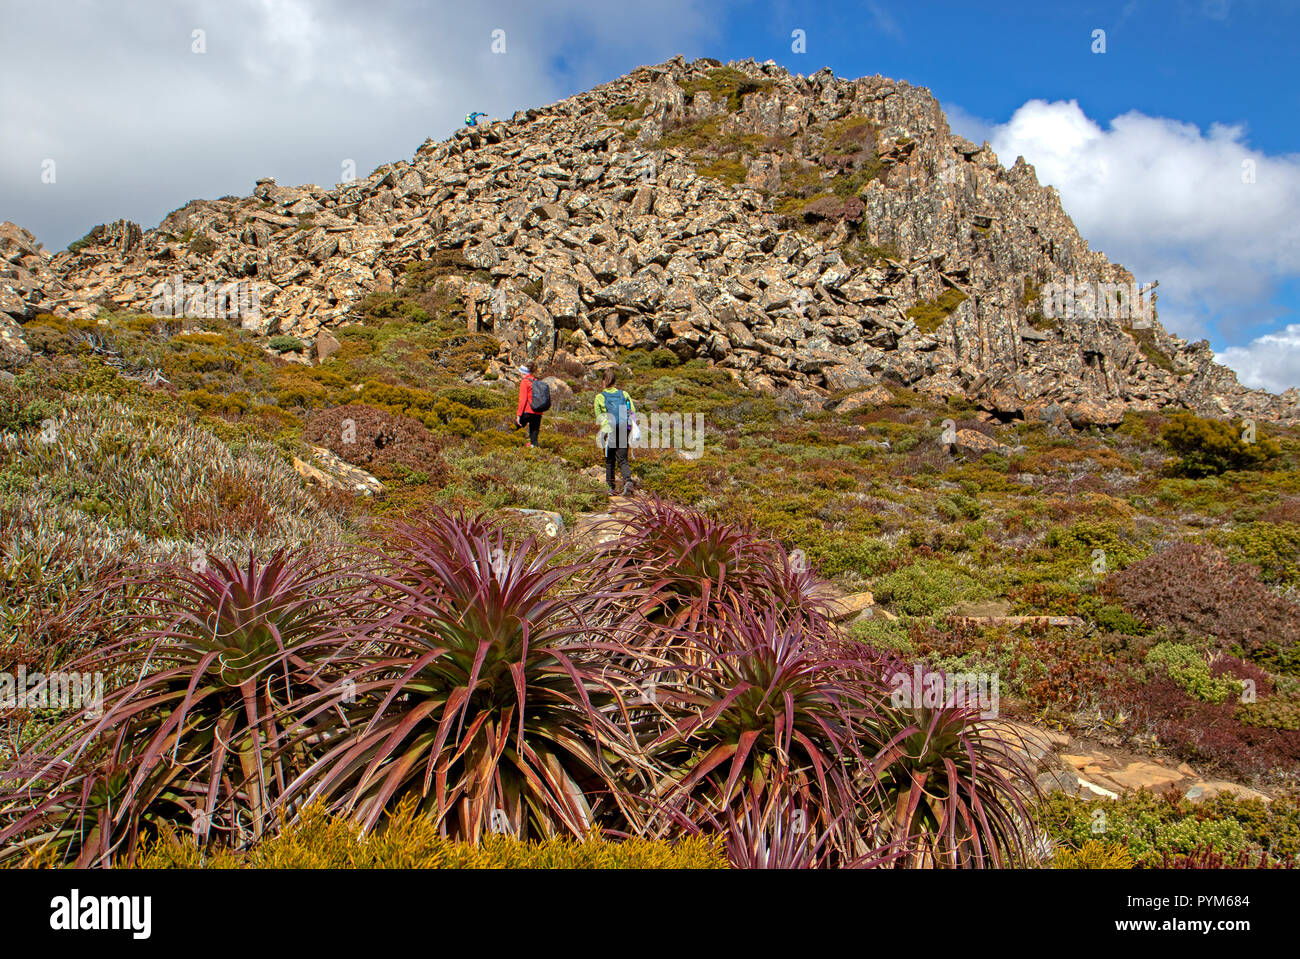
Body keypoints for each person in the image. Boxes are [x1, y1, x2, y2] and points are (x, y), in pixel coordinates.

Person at [594, 368, 637, 496]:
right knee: (623, 459)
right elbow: (632, 411)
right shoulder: (624, 394)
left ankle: (610, 487)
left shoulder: (600, 397)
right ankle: (628, 482)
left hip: (609, 431)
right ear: (614, 381)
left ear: (603, 381)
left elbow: (599, 417)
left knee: (609, 460)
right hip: (624, 428)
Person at [516, 362, 543, 448]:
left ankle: (511, 445)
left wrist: (519, 415)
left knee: (514, 429)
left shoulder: (525, 382)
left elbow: (522, 400)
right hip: (538, 412)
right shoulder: (536, 381)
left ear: (523, 372)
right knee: (534, 436)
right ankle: (535, 451)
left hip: (528, 411)